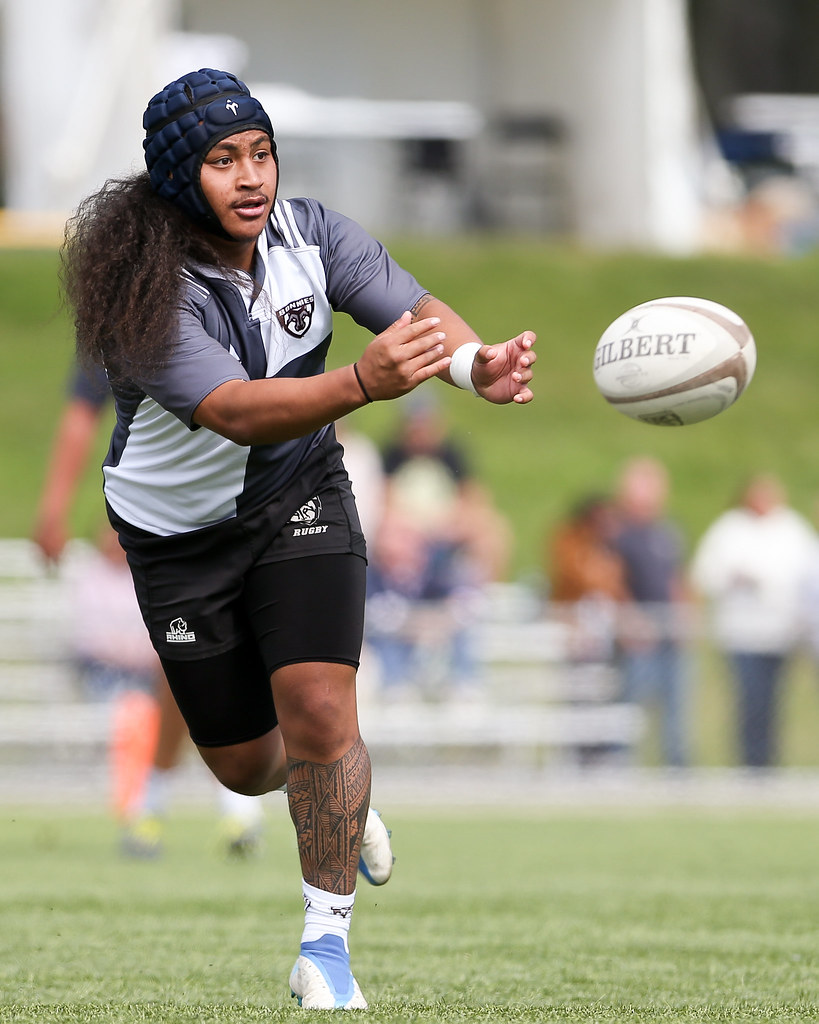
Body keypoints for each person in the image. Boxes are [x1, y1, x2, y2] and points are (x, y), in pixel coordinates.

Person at [60, 68, 535, 1009]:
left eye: (262, 153)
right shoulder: (144, 291)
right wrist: (359, 384)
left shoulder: (314, 234)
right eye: (223, 160)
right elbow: (234, 409)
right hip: (179, 539)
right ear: (177, 177)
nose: (251, 176)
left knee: (321, 709)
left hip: (298, 493)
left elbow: (416, 312)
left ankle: (325, 948)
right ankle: (335, 793)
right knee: (244, 764)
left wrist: (473, 365)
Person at [34, 362, 266, 859]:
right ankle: (176, 799)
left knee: (250, 650)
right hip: (174, 511)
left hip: (252, 495)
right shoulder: (125, 322)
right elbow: (84, 410)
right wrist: (57, 507)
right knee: (186, 662)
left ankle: (238, 799)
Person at [367, 397, 511, 698]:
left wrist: (448, 528)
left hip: (446, 542)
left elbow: (474, 502)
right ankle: (397, 676)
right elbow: (385, 506)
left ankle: (465, 673)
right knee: (393, 569)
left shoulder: (453, 455)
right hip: (406, 547)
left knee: (491, 536)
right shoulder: (392, 457)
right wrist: (412, 534)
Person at [690, 473, 819, 768]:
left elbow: (807, 576)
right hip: (742, 636)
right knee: (749, 704)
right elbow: (705, 574)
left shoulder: (791, 528)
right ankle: (750, 767)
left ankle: (769, 766)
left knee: (773, 706)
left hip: (781, 635)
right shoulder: (729, 529)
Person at [611, 457, 691, 768]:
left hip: (669, 630)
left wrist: (684, 615)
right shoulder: (619, 535)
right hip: (639, 633)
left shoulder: (667, 532)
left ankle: (677, 768)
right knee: (631, 705)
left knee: (676, 708)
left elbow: (675, 578)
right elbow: (614, 580)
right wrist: (631, 618)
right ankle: (622, 765)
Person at [547, 493, 630, 766]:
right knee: (579, 702)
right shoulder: (569, 542)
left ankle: (604, 758)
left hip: (603, 640)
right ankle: (578, 760)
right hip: (576, 638)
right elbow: (580, 578)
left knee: (606, 700)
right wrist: (599, 573)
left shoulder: (609, 550)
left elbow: (614, 584)